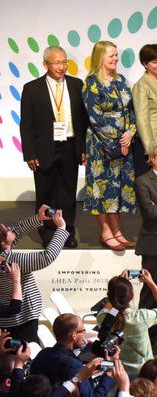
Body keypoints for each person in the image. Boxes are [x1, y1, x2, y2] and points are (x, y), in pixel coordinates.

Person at [22, 46, 87, 249]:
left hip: (70, 145)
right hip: (43, 149)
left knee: (68, 193)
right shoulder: (32, 88)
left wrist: (82, 146)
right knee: (46, 193)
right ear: (45, 64)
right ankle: (48, 233)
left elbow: (83, 120)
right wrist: (29, 153)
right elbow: (26, 124)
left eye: (64, 62)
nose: (62, 67)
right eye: (57, 63)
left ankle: (66, 233)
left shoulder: (77, 85)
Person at [83, 41, 138, 251]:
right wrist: (117, 140)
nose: (115, 59)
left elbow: (131, 111)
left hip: (124, 142)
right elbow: (95, 118)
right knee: (102, 188)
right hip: (100, 145)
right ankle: (105, 233)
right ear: (100, 58)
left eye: (116, 55)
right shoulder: (91, 83)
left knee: (117, 187)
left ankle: (117, 231)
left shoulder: (122, 80)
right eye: (111, 56)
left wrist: (130, 134)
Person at [0, 208, 68, 345]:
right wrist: (61, 228)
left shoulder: (3, 254)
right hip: (22, 319)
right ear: (2, 243)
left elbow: (16, 232)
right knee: (27, 353)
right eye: (6, 230)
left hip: (6, 320)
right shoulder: (12, 261)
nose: (9, 228)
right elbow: (46, 257)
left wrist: (38, 218)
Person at [96, 272, 157, 376]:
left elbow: (112, 309)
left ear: (110, 296)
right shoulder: (141, 317)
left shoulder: (104, 319)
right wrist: (151, 283)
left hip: (114, 378)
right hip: (143, 375)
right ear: (131, 296)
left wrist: (116, 291)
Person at [130, 43, 157, 168]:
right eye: (155, 62)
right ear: (145, 64)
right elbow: (142, 119)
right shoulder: (141, 86)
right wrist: (150, 149)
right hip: (151, 142)